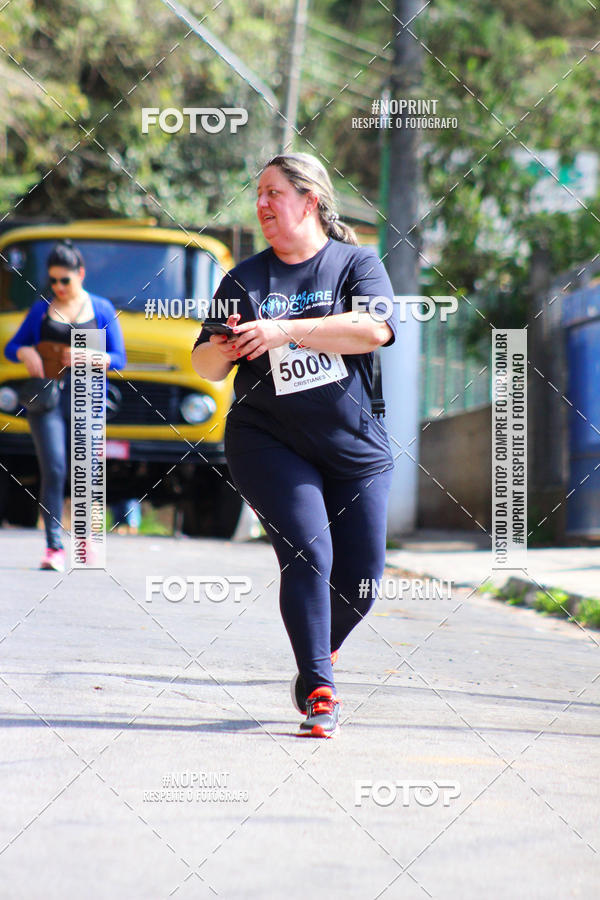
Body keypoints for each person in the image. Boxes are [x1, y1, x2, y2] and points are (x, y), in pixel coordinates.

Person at [191, 153, 398, 738]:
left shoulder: (355, 264)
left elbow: (373, 329)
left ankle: (316, 655)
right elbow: (203, 363)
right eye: (257, 193)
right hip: (268, 441)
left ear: (310, 201)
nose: (261, 204)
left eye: (273, 192)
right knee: (310, 553)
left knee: (362, 576)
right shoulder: (244, 280)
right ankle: (318, 687)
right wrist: (226, 349)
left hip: (353, 444)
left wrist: (284, 329)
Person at [4, 240, 126, 571]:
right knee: (55, 468)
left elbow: (120, 359)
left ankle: (86, 540)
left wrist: (91, 357)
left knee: (85, 470)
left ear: (80, 275)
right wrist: (24, 352)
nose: (58, 287)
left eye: (65, 280)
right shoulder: (41, 308)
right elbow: (12, 347)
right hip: (47, 397)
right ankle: (54, 546)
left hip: (87, 393)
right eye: (53, 280)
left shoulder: (100, 309)